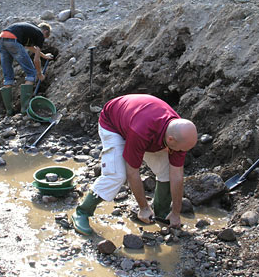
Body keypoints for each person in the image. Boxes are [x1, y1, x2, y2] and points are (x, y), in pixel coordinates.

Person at [71, 94, 198, 236]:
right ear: (170, 139)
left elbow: (177, 176)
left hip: (138, 123)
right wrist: (143, 207)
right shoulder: (143, 131)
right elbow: (132, 171)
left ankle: (162, 213)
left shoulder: (181, 134)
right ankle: (82, 211)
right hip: (113, 124)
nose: (181, 153)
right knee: (117, 175)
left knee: (167, 170)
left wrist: (176, 212)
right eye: (180, 150)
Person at [0, 22, 53, 115]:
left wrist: (44, 56)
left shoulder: (29, 30)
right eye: (45, 37)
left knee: (8, 76)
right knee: (31, 73)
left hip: (1, 39)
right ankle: (25, 109)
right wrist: (39, 74)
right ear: (45, 31)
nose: (43, 40)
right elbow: (36, 60)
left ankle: (9, 111)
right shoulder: (39, 34)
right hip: (13, 40)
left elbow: (31, 47)